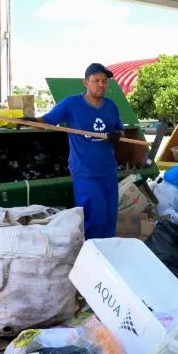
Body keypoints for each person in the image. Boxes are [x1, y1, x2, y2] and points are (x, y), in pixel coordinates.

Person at [26, 63, 124, 239]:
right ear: (85, 82)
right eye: (96, 80)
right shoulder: (71, 104)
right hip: (85, 171)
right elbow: (48, 120)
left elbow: (120, 129)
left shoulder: (111, 106)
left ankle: (107, 256)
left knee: (110, 219)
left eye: (104, 81)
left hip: (108, 170)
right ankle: (91, 253)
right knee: (94, 219)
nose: (101, 84)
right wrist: (30, 120)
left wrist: (117, 134)